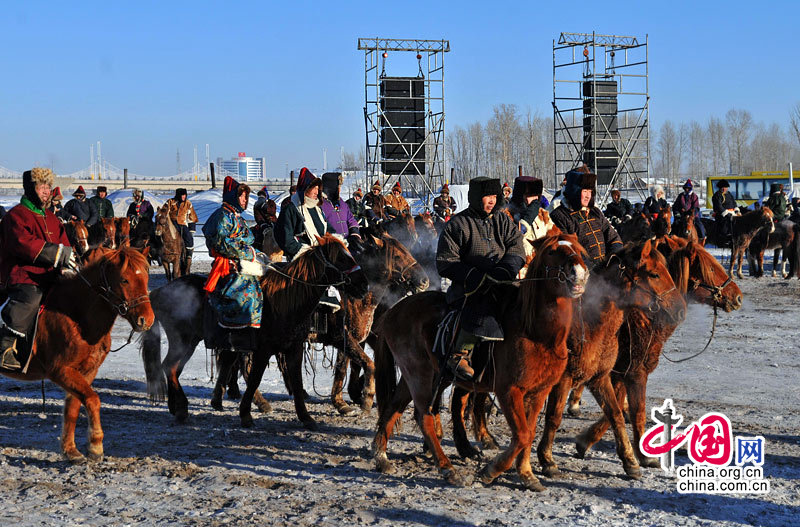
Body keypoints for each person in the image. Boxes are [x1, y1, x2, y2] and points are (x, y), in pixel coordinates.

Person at [436, 177, 526, 380]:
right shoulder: (458, 224)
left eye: (495, 196)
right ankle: (460, 354)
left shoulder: (503, 220)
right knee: (481, 304)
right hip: (469, 288)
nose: (492, 201)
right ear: (476, 197)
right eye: (488, 196)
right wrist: (473, 275)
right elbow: (445, 261)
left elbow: (517, 247)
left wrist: (506, 269)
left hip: (503, 283)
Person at [0, 168, 76, 370]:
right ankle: (5, 346)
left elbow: (64, 244)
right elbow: (23, 243)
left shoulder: (51, 218)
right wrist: (58, 254)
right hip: (23, 274)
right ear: (30, 189)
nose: (46, 191)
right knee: (30, 297)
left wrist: (70, 262)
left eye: (49, 187)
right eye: (41, 187)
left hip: (50, 276)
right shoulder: (16, 216)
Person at [202, 176, 263, 333]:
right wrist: (248, 252)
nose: (244, 200)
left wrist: (255, 252)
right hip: (227, 264)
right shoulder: (222, 216)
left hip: (241, 259)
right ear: (233, 197)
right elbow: (222, 243)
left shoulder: (237, 216)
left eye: (246, 196)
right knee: (247, 288)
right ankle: (237, 328)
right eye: (241, 196)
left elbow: (248, 239)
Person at [275, 167, 338, 310]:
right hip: (302, 261)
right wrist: (305, 252)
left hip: (321, 258)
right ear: (305, 189)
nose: (317, 192)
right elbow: (284, 238)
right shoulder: (291, 208)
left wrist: (338, 241)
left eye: (318, 189)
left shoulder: (317, 208)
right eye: (313, 188)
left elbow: (326, 229)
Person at [550, 166, 623, 265]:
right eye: (584, 191)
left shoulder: (595, 212)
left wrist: (612, 260)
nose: (588, 195)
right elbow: (570, 251)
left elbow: (613, 237)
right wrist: (593, 270)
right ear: (574, 191)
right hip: (582, 274)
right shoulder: (559, 216)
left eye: (590, 191)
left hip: (606, 271)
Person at [320, 172, 362, 248]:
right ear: (331, 187)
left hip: (348, 244)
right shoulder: (320, 204)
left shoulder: (341, 202)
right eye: (338, 186)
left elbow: (351, 219)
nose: (340, 189)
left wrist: (354, 234)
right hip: (331, 247)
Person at [165, 188, 198, 275]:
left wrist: (191, 230)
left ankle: (188, 257)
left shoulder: (188, 204)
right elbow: (164, 212)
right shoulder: (170, 202)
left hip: (183, 224)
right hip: (171, 224)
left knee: (189, 240)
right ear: (178, 195)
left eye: (185, 195)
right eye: (182, 195)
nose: (183, 197)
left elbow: (192, 217)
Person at [712, 179, 738, 244]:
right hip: (721, 214)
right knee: (726, 221)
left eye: (725, 187)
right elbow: (719, 206)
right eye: (722, 188)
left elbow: (734, 202)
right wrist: (727, 213)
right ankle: (726, 237)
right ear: (720, 188)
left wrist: (736, 210)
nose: (724, 189)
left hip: (732, 212)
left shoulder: (729, 194)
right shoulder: (717, 195)